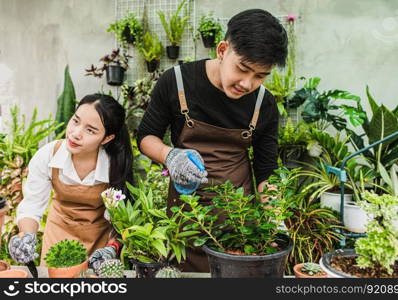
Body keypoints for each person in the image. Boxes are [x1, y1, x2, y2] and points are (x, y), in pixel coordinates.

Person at [137, 8, 288, 272]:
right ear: (222, 50)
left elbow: (266, 171)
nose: (247, 83)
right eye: (243, 69)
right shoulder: (178, 82)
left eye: (260, 76)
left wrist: (275, 223)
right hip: (186, 218)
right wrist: (170, 156)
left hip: (240, 224)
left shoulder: (264, 103)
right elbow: (146, 136)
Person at [8, 93, 133, 273]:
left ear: (107, 138)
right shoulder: (48, 155)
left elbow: (120, 218)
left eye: (90, 130)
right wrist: (26, 236)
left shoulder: (114, 165)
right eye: (75, 121)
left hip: (97, 242)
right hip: (57, 237)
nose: (75, 134)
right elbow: (32, 205)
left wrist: (111, 248)